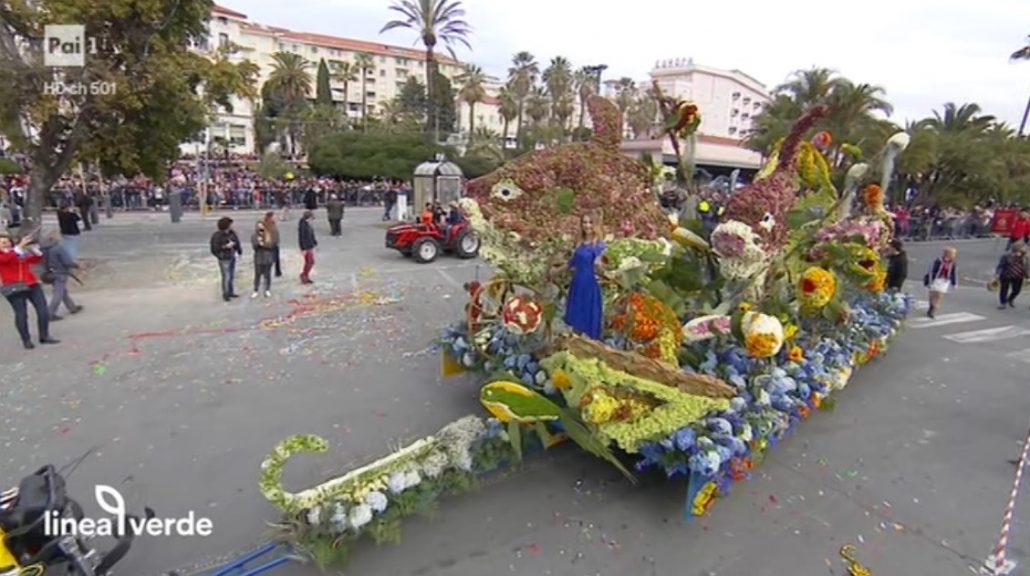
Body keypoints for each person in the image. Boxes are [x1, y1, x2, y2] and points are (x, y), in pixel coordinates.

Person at [0, 231, 58, 349]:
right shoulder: (9, 253)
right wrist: (19, 247)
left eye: (6, 241)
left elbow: (35, 259)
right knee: (21, 314)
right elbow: (5, 260)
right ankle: (26, 340)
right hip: (13, 286)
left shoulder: (17, 252)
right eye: (2, 243)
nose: (5, 244)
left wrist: (33, 249)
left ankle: (44, 335)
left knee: (43, 310)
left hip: (31, 284)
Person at [557, 213, 606, 340]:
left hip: (589, 285)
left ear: (595, 225)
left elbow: (602, 269)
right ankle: (574, 347)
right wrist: (556, 271)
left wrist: (599, 265)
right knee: (576, 318)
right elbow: (572, 263)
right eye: (584, 222)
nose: (587, 226)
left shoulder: (599, 245)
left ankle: (590, 349)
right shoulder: (579, 242)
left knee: (588, 318)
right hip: (577, 284)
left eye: (590, 222)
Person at [41, 231, 82, 320]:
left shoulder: (44, 249)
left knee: (63, 292)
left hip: (50, 273)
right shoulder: (58, 248)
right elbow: (67, 262)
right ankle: (50, 313)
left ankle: (72, 307)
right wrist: (76, 265)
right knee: (58, 294)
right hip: (60, 273)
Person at [209, 217, 241, 302]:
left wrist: (238, 249)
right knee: (226, 276)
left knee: (231, 275)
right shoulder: (217, 236)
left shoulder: (231, 233)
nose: (232, 226)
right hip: (224, 258)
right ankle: (225, 293)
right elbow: (214, 248)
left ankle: (231, 291)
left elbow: (237, 241)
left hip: (232, 256)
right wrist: (224, 248)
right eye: (230, 224)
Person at [923, 246, 958, 318]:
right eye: (953, 254)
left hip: (944, 281)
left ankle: (933, 310)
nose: (954, 256)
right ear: (947, 254)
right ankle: (931, 307)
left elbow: (953, 273)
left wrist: (954, 283)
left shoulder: (952, 263)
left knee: (939, 295)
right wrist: (930, 281)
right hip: (936, 280)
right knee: (933, 294)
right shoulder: (938, 261)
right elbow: (931, 271)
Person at [995, 241, 1029, 310]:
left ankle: (1010, 299)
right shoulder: (1007, 256)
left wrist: (1028, 276)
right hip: (1007, 274)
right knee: (1004, 289)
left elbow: (1027, 267)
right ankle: (1003, 303)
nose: (1026, 249)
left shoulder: (1025, 257)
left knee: (1016, 290)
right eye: (1024, 248)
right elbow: (1001, 265)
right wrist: (998, 273)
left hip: (1018, 276)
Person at [251, 220, 275, 298]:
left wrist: (263, 244)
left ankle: (267, 290)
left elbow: (271, 245)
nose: (260, 228)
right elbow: (254, 246)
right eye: (258, 227)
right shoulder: (254, 236)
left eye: (261, 226)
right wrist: (258, 243)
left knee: (267, 275)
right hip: (258, 258)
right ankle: (256, 290)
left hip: (267, 257)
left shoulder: (268, 235)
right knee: (257, 275)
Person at [298, 210, 317, 284]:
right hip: (307, 247)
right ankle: (304, 275)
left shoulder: (307, 224)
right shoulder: (303, 226)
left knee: (309, 262)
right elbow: (302, 238)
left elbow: (311, 234)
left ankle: (305, 275)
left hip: (310, 245)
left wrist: (314, 242)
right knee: (310, 262)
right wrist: (303, 248)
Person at [262, 211, 282, 277]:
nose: (275, 217)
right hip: (270, 244)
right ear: (270, 217)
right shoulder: (266, 225)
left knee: (276, 258)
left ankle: (278, 272)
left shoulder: (273, 224)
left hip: (275, 243)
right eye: (273, 216)